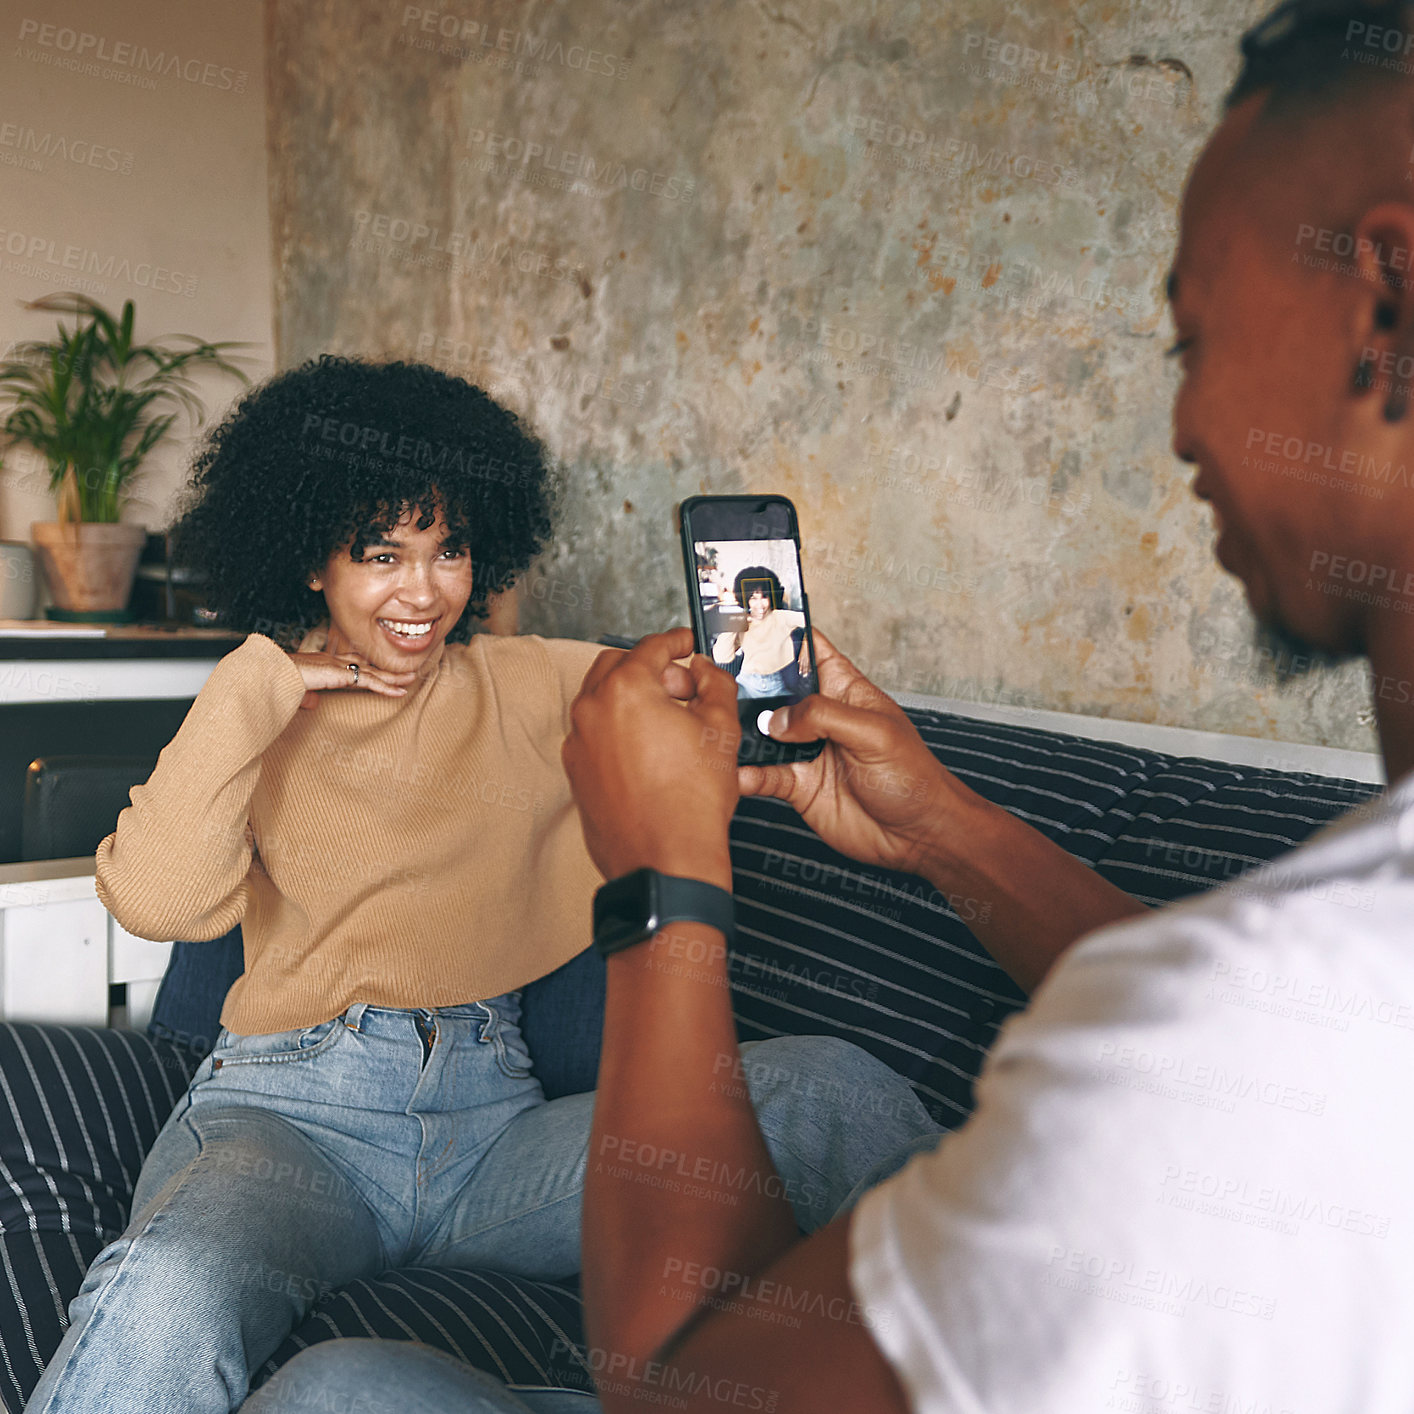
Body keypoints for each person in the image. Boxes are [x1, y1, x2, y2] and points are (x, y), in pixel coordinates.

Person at [243, 1, 1414, 1409]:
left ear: (1382, 296)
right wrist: (941, 826)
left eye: (1190, 336)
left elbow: (673, 1384)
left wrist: (665, 884)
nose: (1178, 425)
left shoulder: (1242, 1037)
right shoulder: (1316, 978)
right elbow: (1230, 1018)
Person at [25, 356, 937, 1414]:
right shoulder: (256, 706)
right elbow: (158, 902)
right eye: (380, 554)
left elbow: (686, 694)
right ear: (309, 560)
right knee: (168, 1284)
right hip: (292, 1122)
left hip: (498, 1132)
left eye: (447, 548)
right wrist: (250, 683)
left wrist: (755, 654)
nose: (425, 590)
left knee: (832, 1088)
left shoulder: (533, 679)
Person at [710, 566, 812, 699]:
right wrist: (736, 622)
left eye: (764, 597)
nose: (760, 604)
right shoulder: (742, 622)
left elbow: (813, 621)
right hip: (746, 685)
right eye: (753, 598)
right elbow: (721, 657)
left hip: (777, 686)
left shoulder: (781, 617)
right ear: (745, 599)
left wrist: (807, 644)